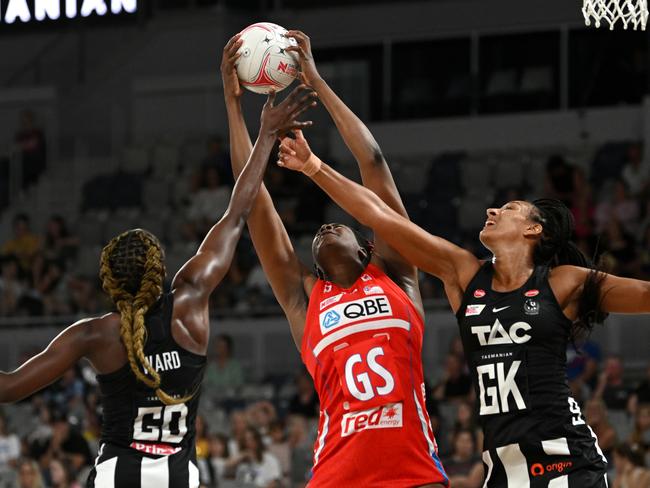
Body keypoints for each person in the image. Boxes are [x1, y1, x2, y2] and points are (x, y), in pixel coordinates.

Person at [277, 110, 650, 487]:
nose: (493, 210)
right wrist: (312, 165)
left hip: (567, 461)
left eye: (508, 210)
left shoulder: (564, 281)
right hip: (503, 470)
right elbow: (379, 213)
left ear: (534, 229)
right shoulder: (466, 275)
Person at [0, 78, 316, 487]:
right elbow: (239, 212)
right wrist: (265, 132)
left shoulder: (95, 334)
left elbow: (8, 388)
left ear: (108, 283)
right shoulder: (190, 303)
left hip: (116, 476)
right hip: (178, 478)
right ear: (160, 271)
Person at [223, 31, 448, 487]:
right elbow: (254, 205)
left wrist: (317, 83)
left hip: (414, 474)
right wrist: (236, 110)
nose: (324, 228)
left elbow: (375, 163)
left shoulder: (397, 274)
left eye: (339, 225)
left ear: (368, 248)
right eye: (319, 235)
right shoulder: (305, 298)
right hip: (335, 476)